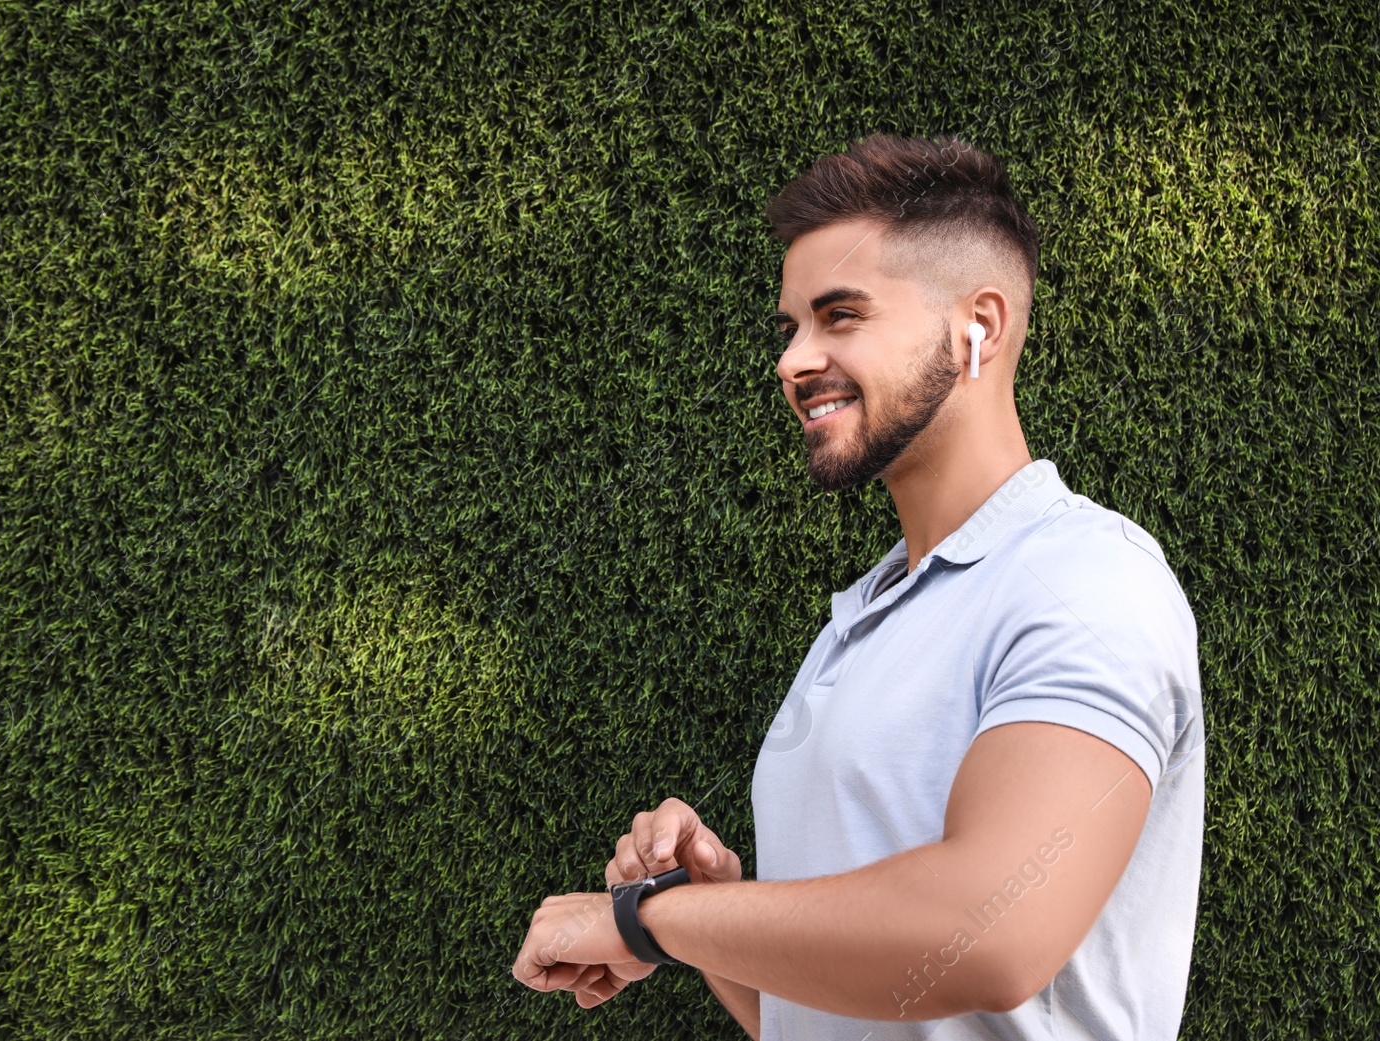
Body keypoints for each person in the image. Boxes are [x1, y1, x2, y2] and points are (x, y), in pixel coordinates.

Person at [511, 133, 1205, 1041]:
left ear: (980, 329)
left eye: (841, 316)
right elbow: (819, 1018)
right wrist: (717, 917)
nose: (793, 361)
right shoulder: (860, 619)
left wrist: (645, 921)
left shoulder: (1086, 577)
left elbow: (984, 934)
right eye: (792, 325)